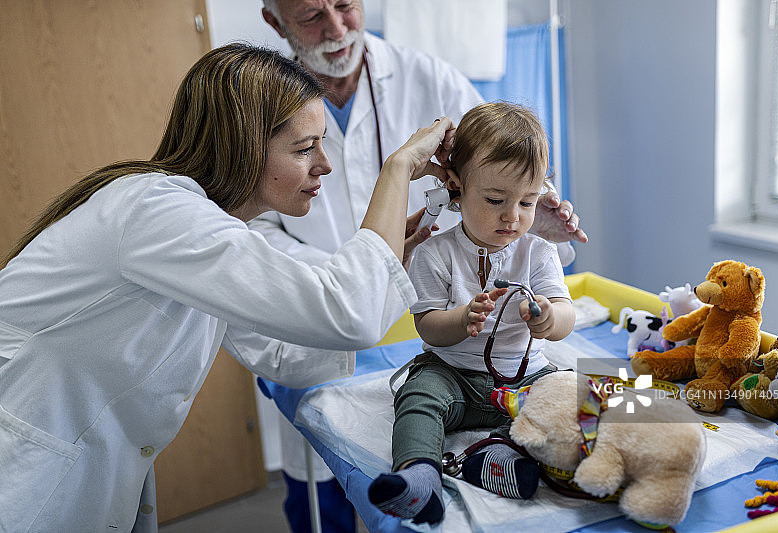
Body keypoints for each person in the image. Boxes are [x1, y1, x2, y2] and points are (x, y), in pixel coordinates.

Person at [0, 43, 457, 532]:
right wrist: (399, 168)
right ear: (241, 145)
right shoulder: (160, 212)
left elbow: (279, 352)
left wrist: (394, 265)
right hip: (25, 466)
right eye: (305, 149)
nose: (324, 165)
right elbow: (345, 311)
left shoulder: (207, 230)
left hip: (85, 465)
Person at [255, 1, 588, 529]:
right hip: (323, 319)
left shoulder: (428, 78)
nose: (337, 28)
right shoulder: (260, 110)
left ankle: (543, 459)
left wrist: (541, 208)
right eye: (312, 15)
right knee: (323, 493)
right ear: (275, 23)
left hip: (508, 368)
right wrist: (352, 276)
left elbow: (509, 160)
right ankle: (417, 474)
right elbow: (254, 228)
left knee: (576, 400)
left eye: (345, 5)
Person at [367, 102, 576, 524]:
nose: (512, 217)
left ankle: (493, 457)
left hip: (523, 377)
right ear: (457, 189)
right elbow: (427, 326)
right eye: (496, 199)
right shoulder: (434, 251)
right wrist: (461, 320)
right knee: (418, 396)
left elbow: (565, 315)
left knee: (564, 399)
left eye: (528, 202)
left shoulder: (538, 252)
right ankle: (419, 476)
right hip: (452, 375)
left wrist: (549, 320)